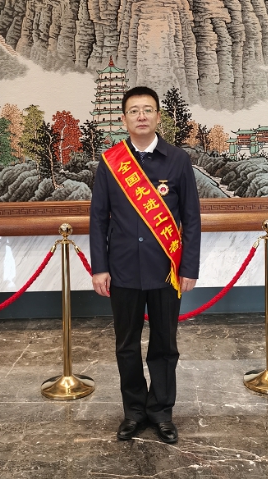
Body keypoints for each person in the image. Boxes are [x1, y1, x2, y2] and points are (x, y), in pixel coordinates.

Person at [90, 86, 201, 444]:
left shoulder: (178, 160)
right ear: (124, 118)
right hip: (122, 268)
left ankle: (161, 411)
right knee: (126, 344)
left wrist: (189, 267)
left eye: (148, 109)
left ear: (157, 116)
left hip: (166, 269)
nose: (141, 116)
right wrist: (99, 267)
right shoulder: (111, 161)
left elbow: (192, 218)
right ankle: (134, 411)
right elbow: (98, 220)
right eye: (134, 110)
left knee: (165, 344)